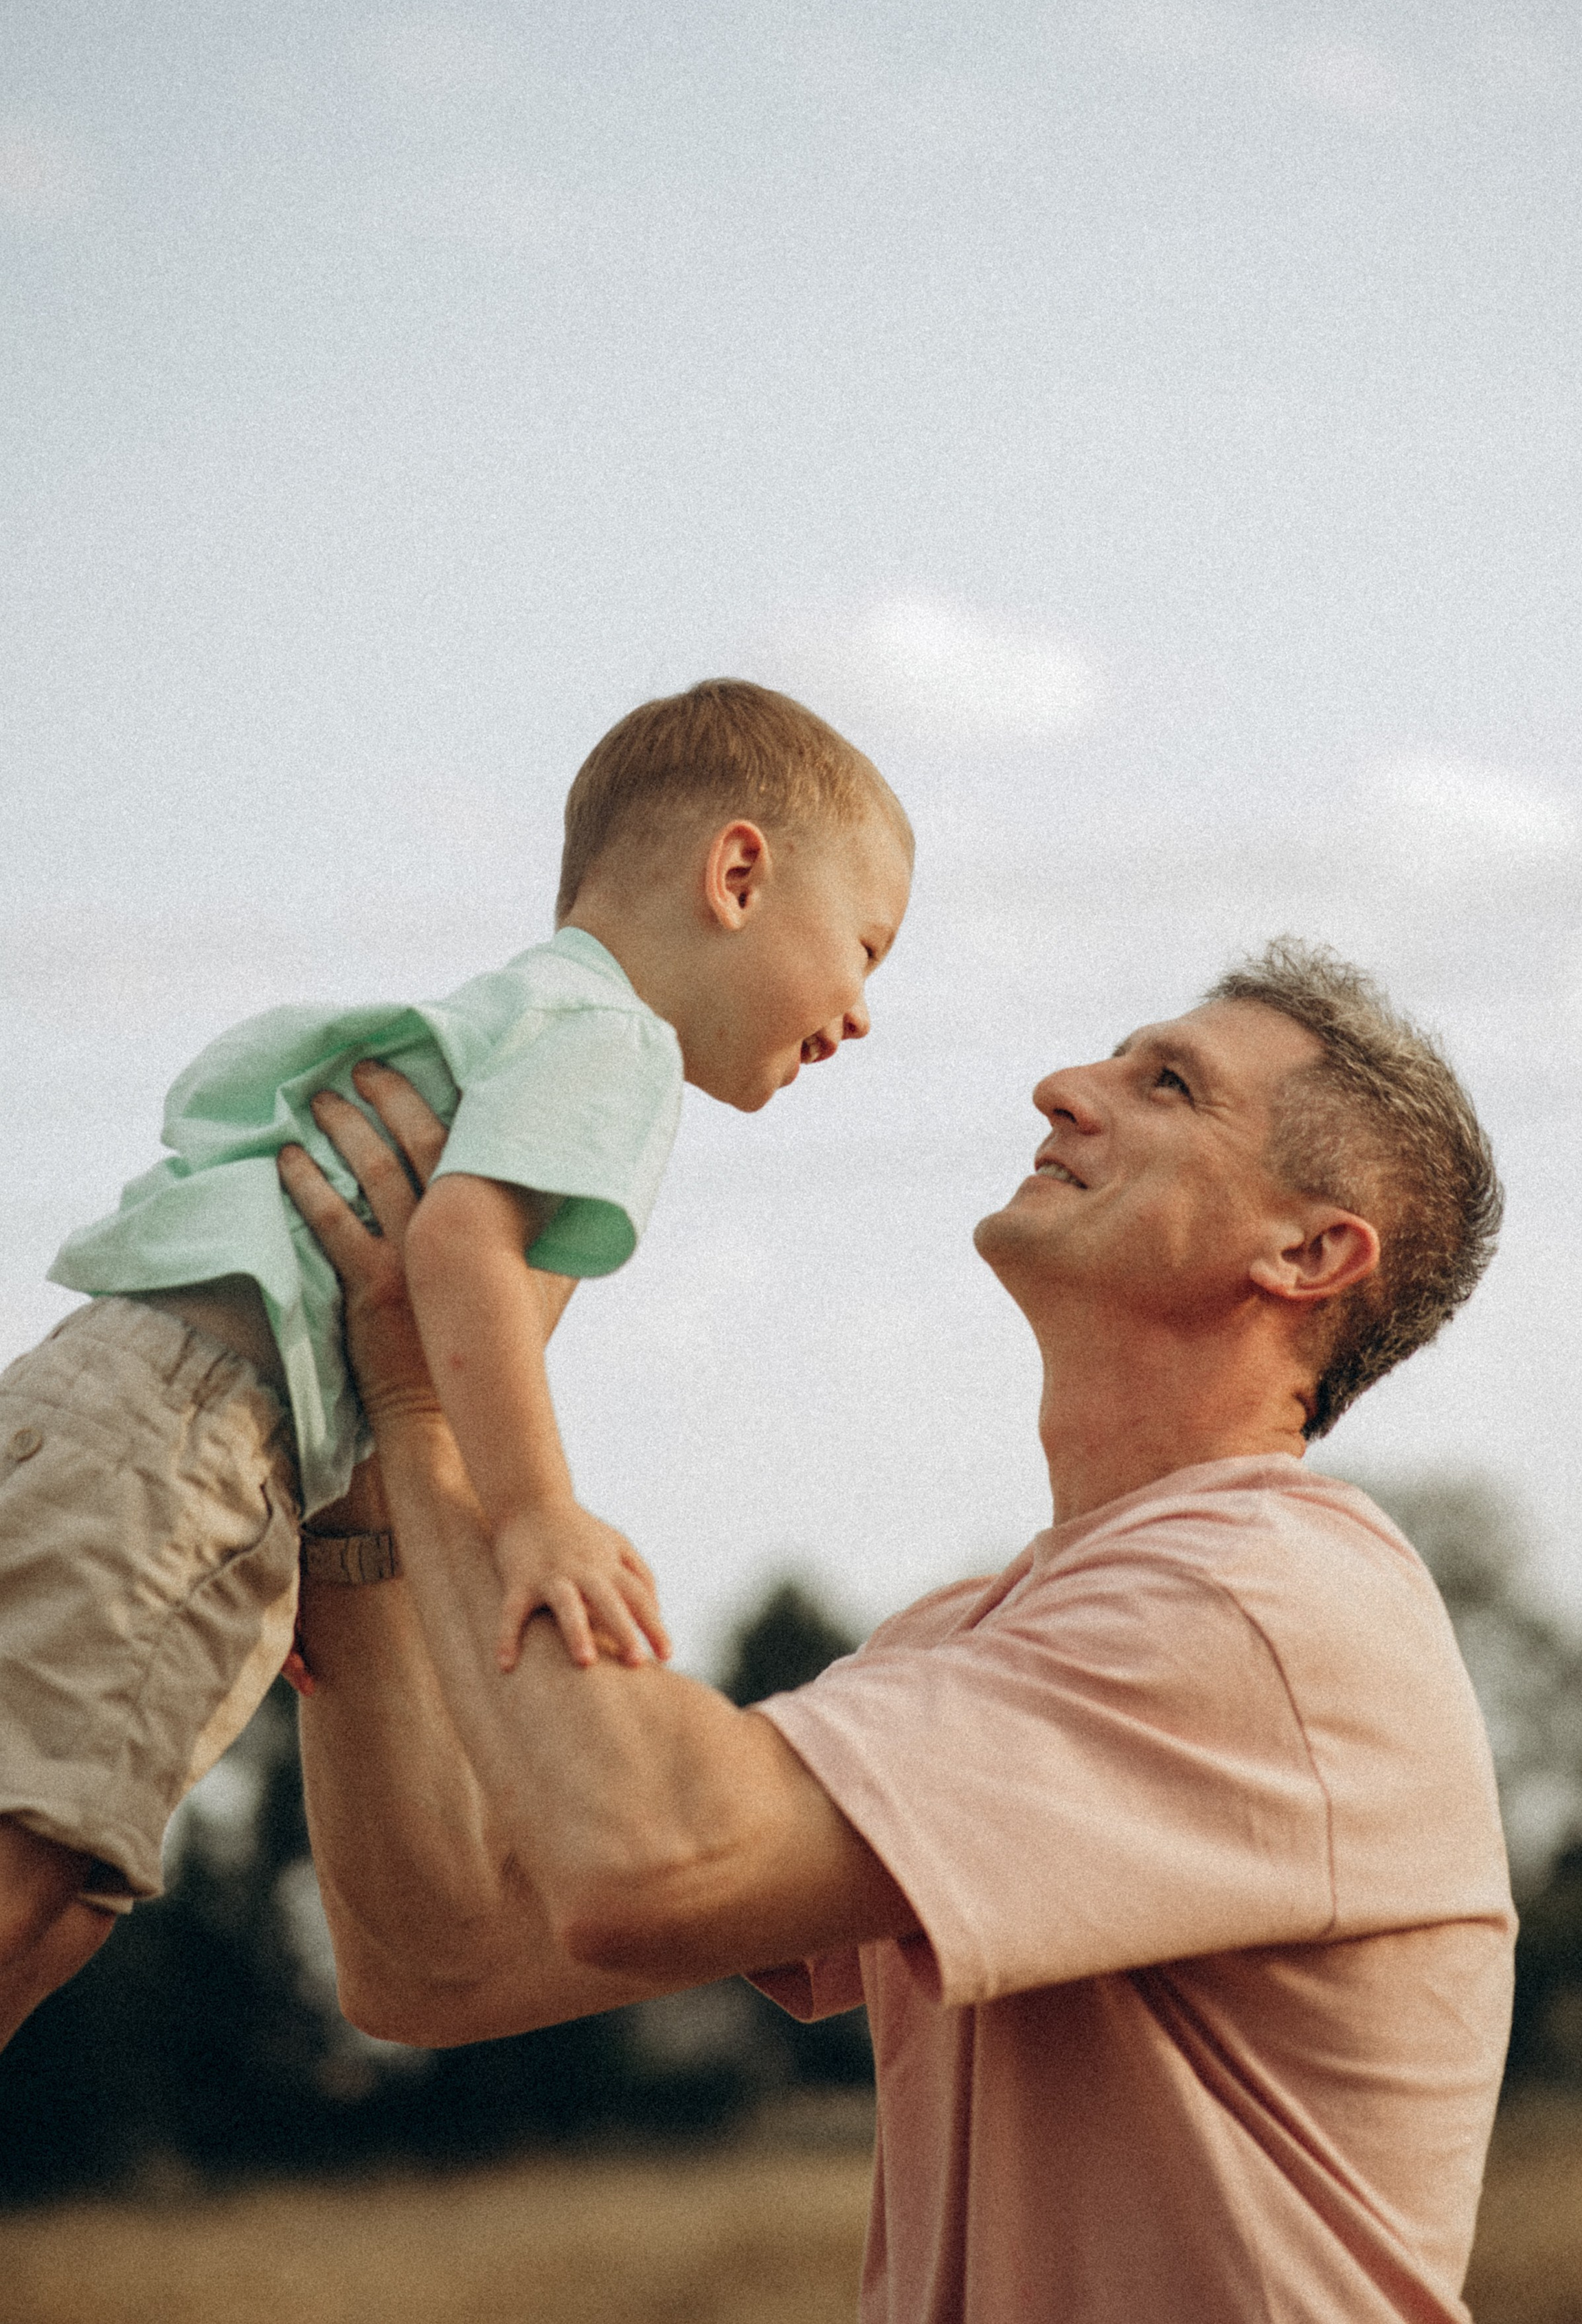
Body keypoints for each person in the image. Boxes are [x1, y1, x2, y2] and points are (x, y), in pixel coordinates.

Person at [290, 939, 1515, 2324]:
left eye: (1165, 1082)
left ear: (1307, 1252)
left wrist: (435, 1378)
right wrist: (358, 1496)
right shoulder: (979, 1633)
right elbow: (436, 1958)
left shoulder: (1263, 1601)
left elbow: (646, 1853)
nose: (1059, 1086)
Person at [0, 679, 913, 2047]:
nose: (858, 1015)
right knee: (33, 1855)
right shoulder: (616, 1042)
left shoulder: (536, 1017)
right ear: (736, 873)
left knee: (72, 1885)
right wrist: (535, 1510)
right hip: (192, 1429)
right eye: (865, 947)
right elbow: (458, 1257)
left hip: (162, 1412)